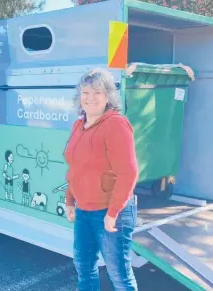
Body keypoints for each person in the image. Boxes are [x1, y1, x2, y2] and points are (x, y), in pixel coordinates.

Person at [64, 68, 139, 290]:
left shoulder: (116, 124)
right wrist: (70, 199)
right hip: (84, 211)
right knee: (84, 269)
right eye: (85, 92)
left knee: (120, 276)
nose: (90, 98)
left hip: (111, 213)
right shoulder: (79, 125)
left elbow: (128, 172)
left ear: (108, 96)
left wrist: (113, 213)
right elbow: (76, 167)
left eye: (97, 92)